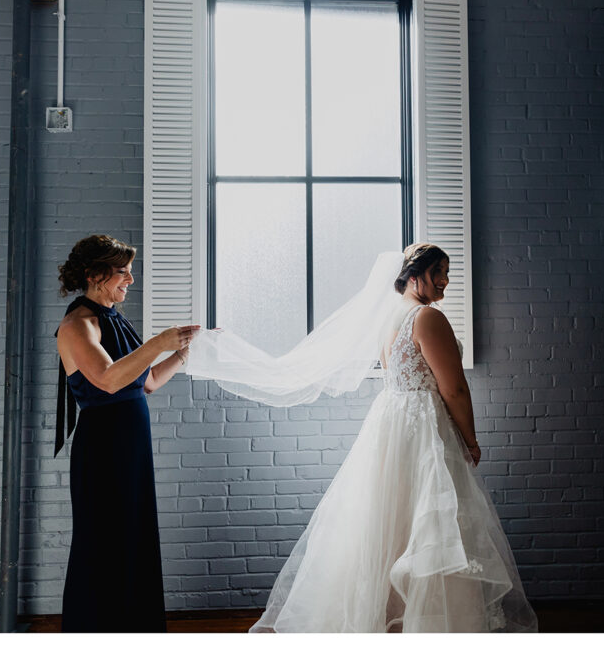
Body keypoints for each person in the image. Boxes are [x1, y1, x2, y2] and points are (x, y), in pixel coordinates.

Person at [189, 243, 537, 632]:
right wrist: (470, 440)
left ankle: (386, 620)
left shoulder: (391, 318)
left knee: (388, 525)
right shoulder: (427, 317)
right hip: (424, 430)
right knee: (428, 524)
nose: (446, 280)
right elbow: (453, 389)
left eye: (447, 271)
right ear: (416, 274)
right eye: (440, 271)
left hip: (392, 426)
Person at [54, 234, 199, 632]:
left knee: (133, 535)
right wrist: (156, 342)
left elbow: (147, 381)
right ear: (96, 275)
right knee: (103, 539)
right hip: (103, 447)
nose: (130, 281)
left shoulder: (114, 318)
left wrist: (181, 352)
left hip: (132, 444)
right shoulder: (77, 325)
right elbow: (108, 380)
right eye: (123, 273)